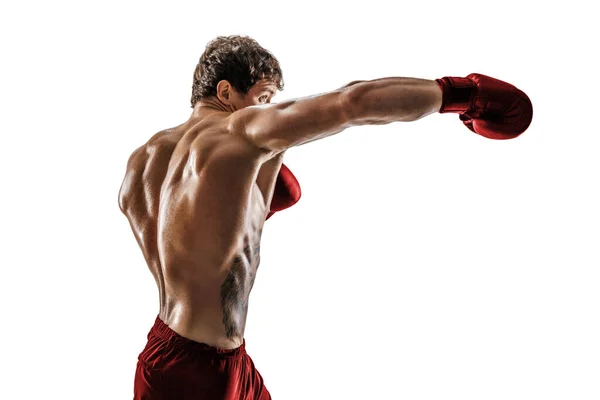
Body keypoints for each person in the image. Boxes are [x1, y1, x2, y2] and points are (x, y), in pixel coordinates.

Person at [119, 35, 533, 400]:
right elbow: (351, 103)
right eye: (263, 98)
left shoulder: (143, 164)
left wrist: (251, 207)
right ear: (226, 91)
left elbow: (182, 241)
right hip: (203, 376)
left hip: (167, 356)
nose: (267, 110)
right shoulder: (238, 132)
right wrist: (464, 94)